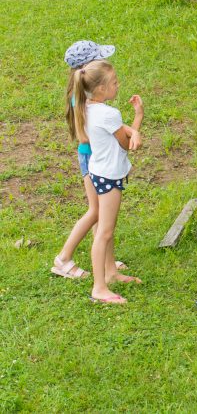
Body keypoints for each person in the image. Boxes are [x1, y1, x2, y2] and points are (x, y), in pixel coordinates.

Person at [52, 41, 134, 280]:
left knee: (101, 214)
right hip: (92, 158)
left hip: (91, 156)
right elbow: (90, 133)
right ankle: (63, 258)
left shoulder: (82, 96)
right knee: (95, 211)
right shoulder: (82, 101)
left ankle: (108, 265)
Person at [70, 59, 144, 304]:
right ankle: (99, 287)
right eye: (114, 82)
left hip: (98, 171)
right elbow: (126, 144)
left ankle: (111, 273)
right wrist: (138, 119)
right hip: (110, 176)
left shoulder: (86, 107)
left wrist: (131, 130)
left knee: (105, 227)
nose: (118, 85)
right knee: (104, 231)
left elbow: (120, 131)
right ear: (100, 89)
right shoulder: (110, 113)